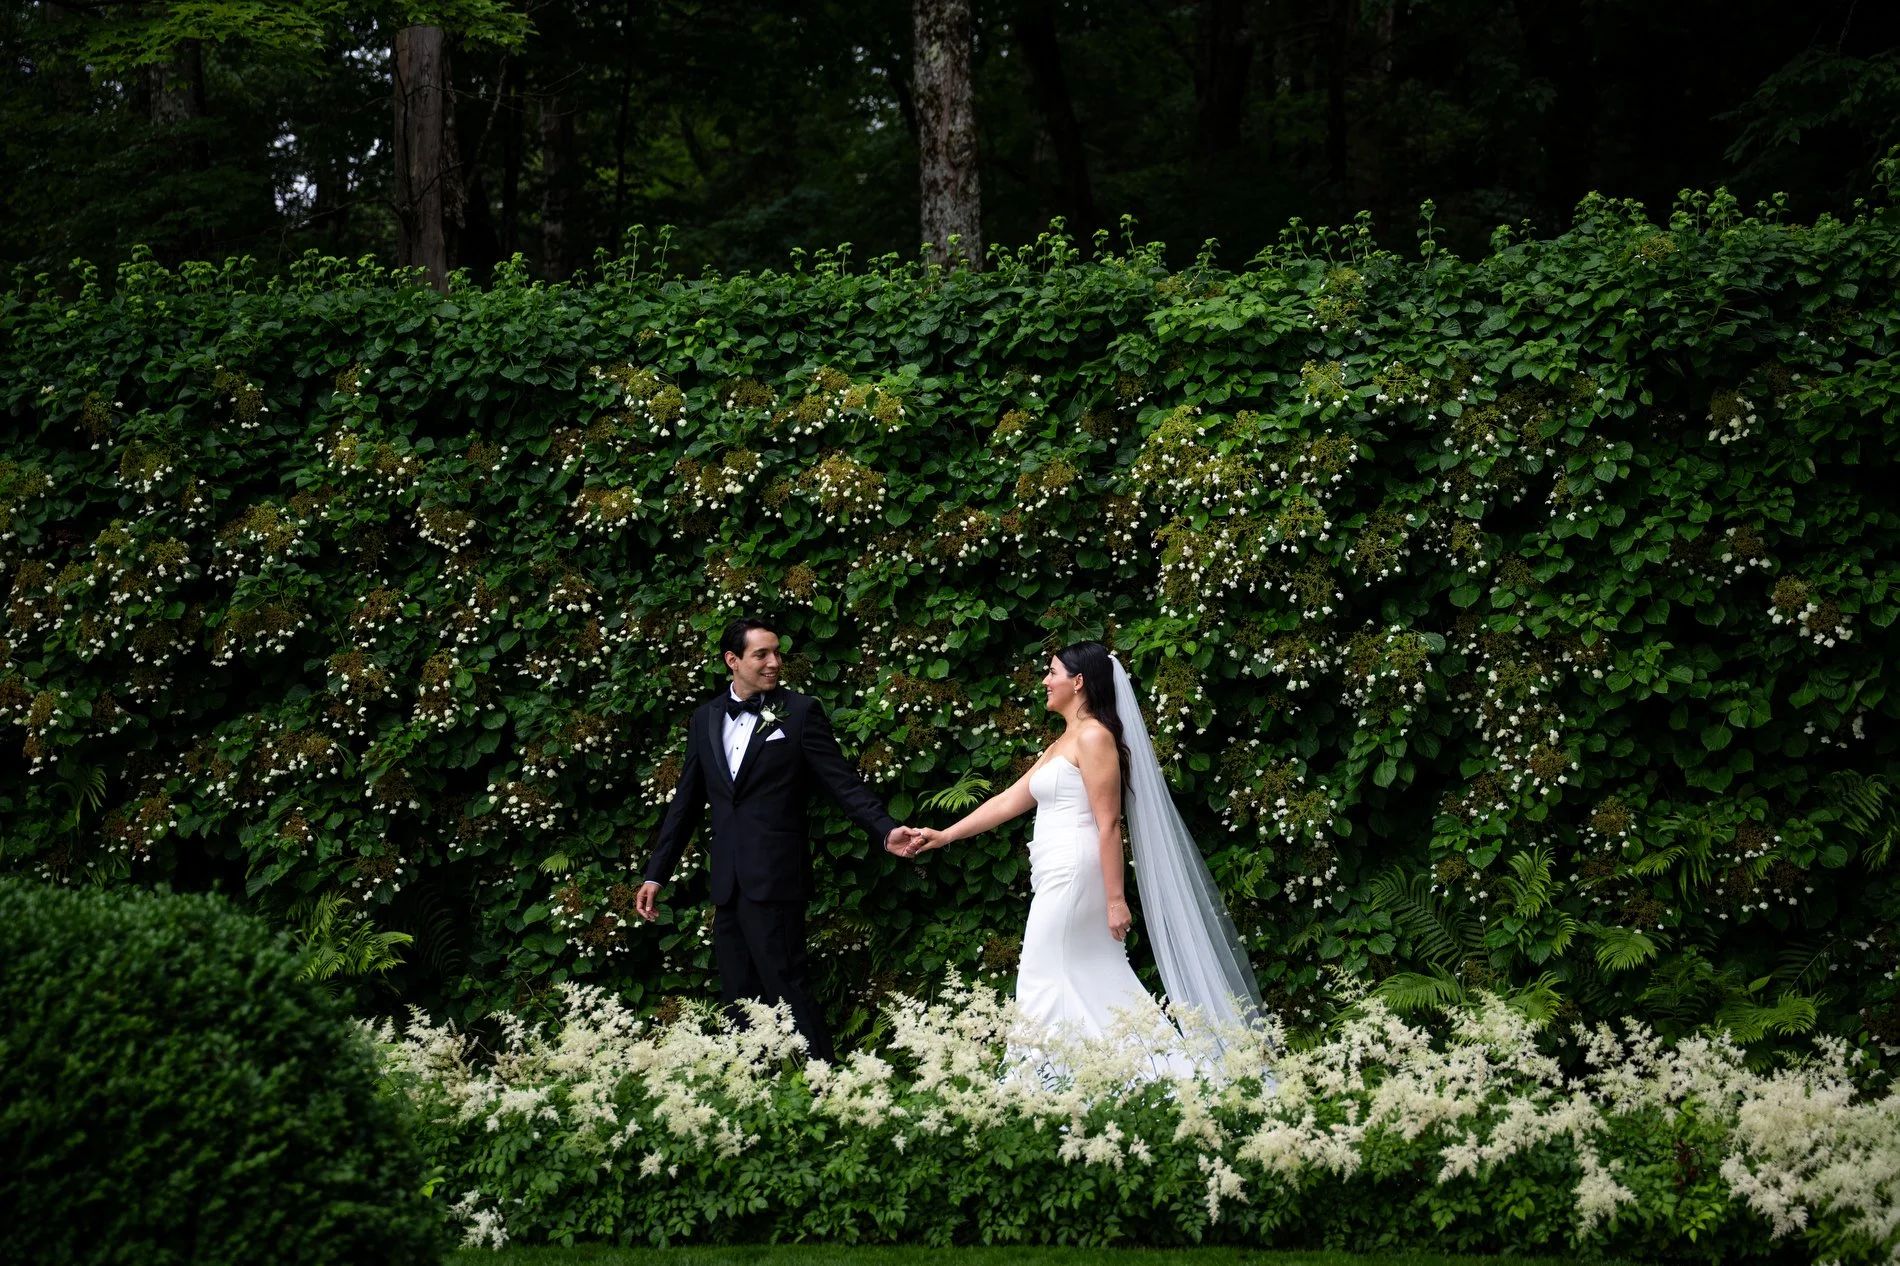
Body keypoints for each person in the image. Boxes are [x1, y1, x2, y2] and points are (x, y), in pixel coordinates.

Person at [897, 640, 1261, 1048]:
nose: (1045, 681)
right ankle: (1137, 1069)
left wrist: (1115, 899)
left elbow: (1108, 823)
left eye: (1053, 672)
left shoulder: (1093, 738)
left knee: (1039, 970)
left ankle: (1039, 1076)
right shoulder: (1062, 742)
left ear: (1079, 681)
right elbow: (1007, 801)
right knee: (1090, 975)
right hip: (1056, 871)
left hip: (1076, 873)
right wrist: (945, 835)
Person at [635, 616, 921, 1062]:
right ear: (733, 661)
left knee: (788, 984)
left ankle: (823, 1084)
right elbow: (685, 804)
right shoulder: (704, 718)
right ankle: (758, 1095)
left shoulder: (801, 712)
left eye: (776, 653)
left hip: (777, 876)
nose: (774, 663)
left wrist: (885, 830)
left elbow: (842, 783)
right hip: (728, 882)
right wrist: (657, 874)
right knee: (739, 996)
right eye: (761, 654)